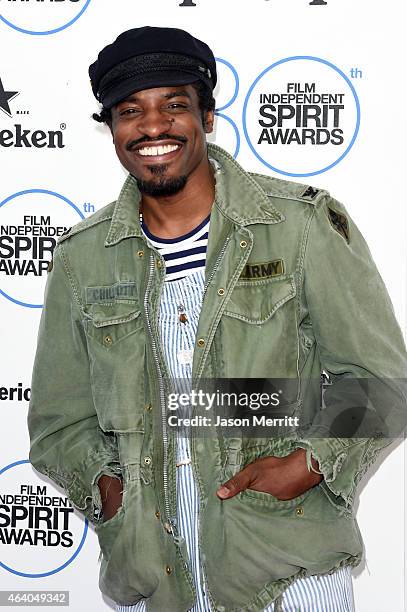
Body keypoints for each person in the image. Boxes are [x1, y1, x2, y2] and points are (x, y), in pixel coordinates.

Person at [28, 26, 407, 612]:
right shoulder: (83, 256)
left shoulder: (299, 226)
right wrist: (110, 491)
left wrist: (310, 462)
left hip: (287, 576)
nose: (153, 127)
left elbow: (382, 380)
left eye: (174, 105)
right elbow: (59, 422)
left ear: (207, 116)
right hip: (152, 586)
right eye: (130, 111)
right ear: (111, 129)